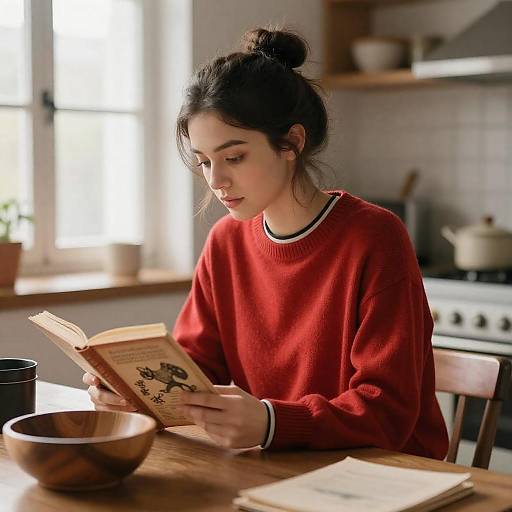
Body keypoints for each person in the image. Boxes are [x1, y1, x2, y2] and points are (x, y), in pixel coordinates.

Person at [84, 27, 449, 458]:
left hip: (390, 473)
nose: (216, 181)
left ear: (292, 142)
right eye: (204, 162)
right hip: (287, 464)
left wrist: (272, 421)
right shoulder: (226, 242)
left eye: (234, 157)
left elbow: (388, 410)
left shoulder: (375, 237)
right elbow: (196, 368)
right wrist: (139, 393)